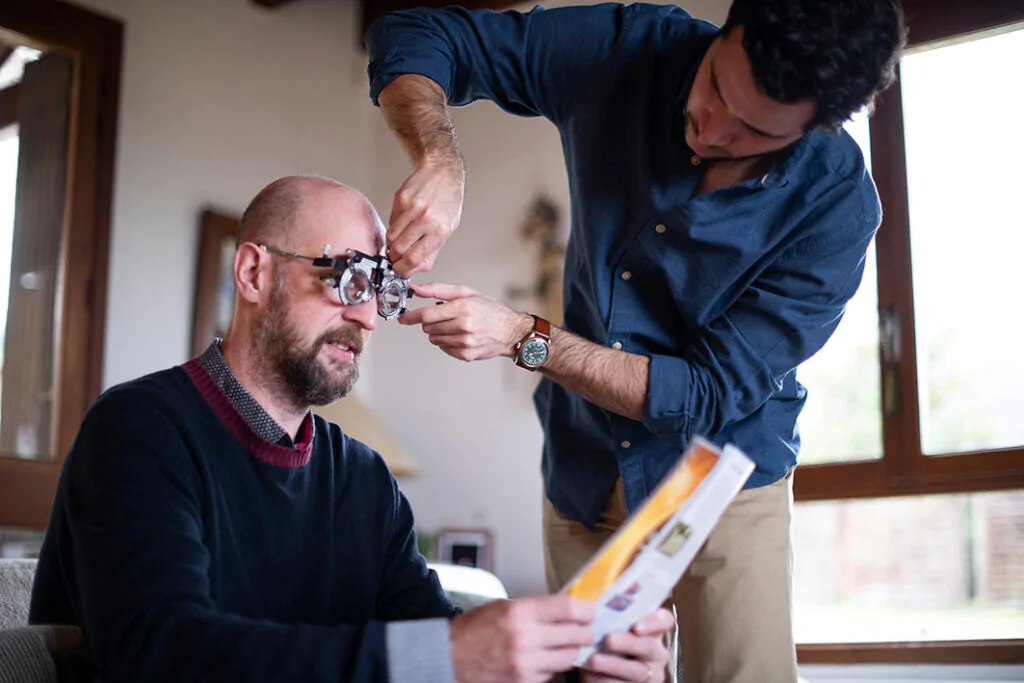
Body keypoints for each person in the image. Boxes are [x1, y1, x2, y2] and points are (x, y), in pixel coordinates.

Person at [365, 1, 906, 682]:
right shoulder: (626, 49)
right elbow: (415, 32)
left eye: (752, 130)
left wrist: (520, 338)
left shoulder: (837, 210)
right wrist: (439, 155)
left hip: (722, 480)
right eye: (715, 85)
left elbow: (699, 395)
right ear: (726, 31)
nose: (710, 127)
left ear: (813, 128)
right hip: (585, 463)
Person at [28, 176, 673, 683]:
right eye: (350, 278)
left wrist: (573, 666)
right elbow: (159, 655)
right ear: (253, 273)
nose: (369, 317)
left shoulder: (362, 478)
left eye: (383, 288)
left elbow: (430, 635)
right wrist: (442, 657)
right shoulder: (139, 430)